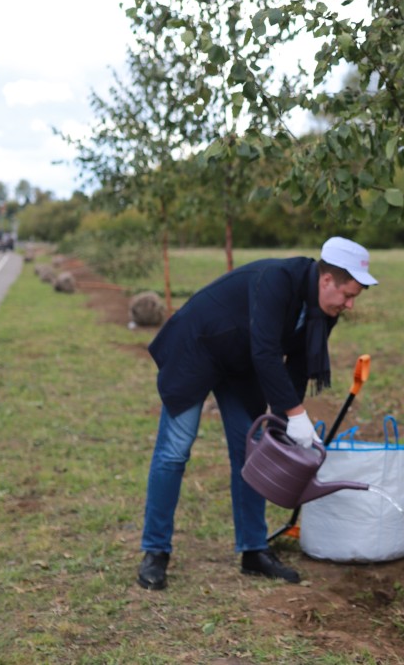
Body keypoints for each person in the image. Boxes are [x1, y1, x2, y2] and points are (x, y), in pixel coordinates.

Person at [137, 236, 379, 591]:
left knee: (251, 453)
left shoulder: (322, 310)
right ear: (327, 280)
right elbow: (266, 351)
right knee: (175, 451)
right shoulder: (278, 279)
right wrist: (297, 417)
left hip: (240, 362)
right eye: (348, 294)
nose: (350, 305)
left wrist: (285, 423)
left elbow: (297, 366)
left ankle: (253, 550)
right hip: (198, 348)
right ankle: (155, 552)